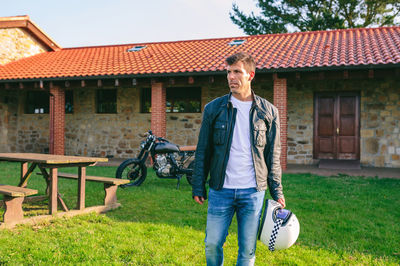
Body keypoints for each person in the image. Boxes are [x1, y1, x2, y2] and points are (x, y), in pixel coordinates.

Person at [192, 52, 285, 266]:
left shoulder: (268, 111)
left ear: (250, 75)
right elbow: (203, 150)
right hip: (220, 190)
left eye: (237, 72)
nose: (231, 77)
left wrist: (277, 191)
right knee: (212, 244)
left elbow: (273, 155)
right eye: (228, 72)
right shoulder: (213, 109)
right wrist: (198, 185)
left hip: (253, 192)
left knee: (248, 250)